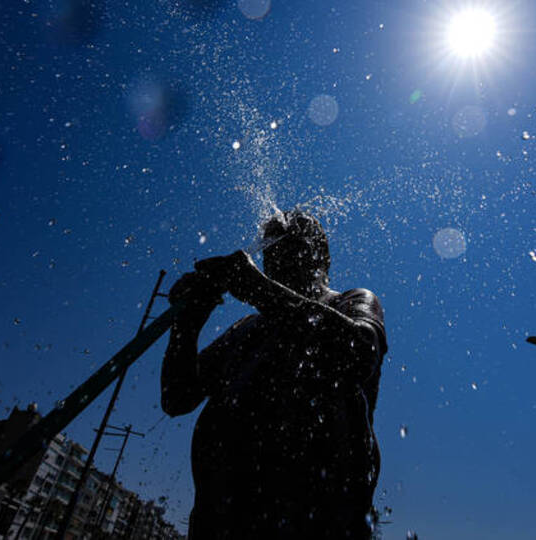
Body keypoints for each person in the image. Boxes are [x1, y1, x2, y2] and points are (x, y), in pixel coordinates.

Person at [161, 210, 387, 539]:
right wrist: (187, 323)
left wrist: (257, 290)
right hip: (222, 518)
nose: (278, 258)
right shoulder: (245, 329)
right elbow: (177, 397)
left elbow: (359, 352)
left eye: (292, 247)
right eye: (271, 250)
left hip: (319, 521)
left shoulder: (352, 303)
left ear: (321, 256)